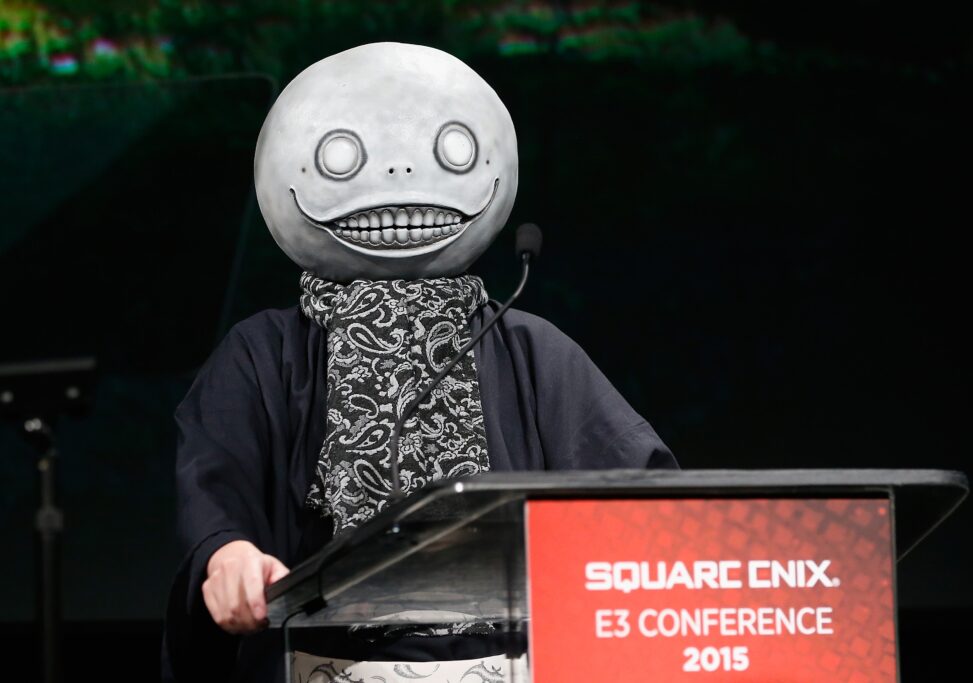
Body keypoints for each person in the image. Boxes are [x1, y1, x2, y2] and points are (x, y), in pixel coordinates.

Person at [162, 42, 676, 683]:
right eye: (343, 154)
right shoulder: (264, 353)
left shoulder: (530, 350)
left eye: (450, 150)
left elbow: (640, 493)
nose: (399, 173)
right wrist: (228, 555)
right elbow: (217, 479)